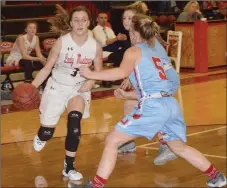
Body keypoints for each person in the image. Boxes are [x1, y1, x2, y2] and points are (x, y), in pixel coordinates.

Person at [79, 14, 227, 188]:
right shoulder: (157, 50)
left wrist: (91, 74)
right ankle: (217, 176)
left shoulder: (133, 51)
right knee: (179, 147)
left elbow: (120, 73)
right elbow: (161, 81)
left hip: (153, 106)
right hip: (171, 104)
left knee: (112, 140)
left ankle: (95, 186)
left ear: (134, 33)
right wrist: (129, 95)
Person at [31, 6, 102, 181]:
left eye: (83, 19)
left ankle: (68, 167)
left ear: (88, 22)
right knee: (48, 132)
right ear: (70, 23)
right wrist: (32, 88)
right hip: (57, 87)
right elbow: (47, 68)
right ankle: (42, 134)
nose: (80, 23)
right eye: (76, 20)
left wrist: (91, 81)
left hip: (77, 89)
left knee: (75, 123)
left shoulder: (95, 46)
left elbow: (98, 71)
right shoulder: (61, 42)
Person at [117, 1, 178, 166]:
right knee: (129, 104)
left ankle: (166, 144)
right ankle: (128, 141)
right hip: (162, 79)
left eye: (131, 18)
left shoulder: (144, 38)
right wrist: (130, 77)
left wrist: (128, 76)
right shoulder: (138, 37)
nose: (127, 21)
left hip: (165, 81)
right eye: (124, 18)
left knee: (152, 108)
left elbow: (153, 62)